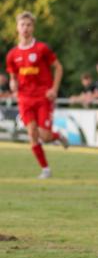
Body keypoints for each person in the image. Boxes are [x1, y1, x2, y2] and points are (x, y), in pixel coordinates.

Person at [5, 11, 68, 178]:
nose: (25, 28)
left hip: (42, 97)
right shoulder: (12, 55)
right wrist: (12, 83)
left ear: (33, 28)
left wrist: (54, 89)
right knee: (32, 133)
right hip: (24, 99)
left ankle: (57, 136)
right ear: (17, 28)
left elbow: (59, 68)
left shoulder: (41, 49)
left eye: (28, 25)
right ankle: (45, 169)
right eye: (22, 25)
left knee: (45, 136)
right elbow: (13, 76)